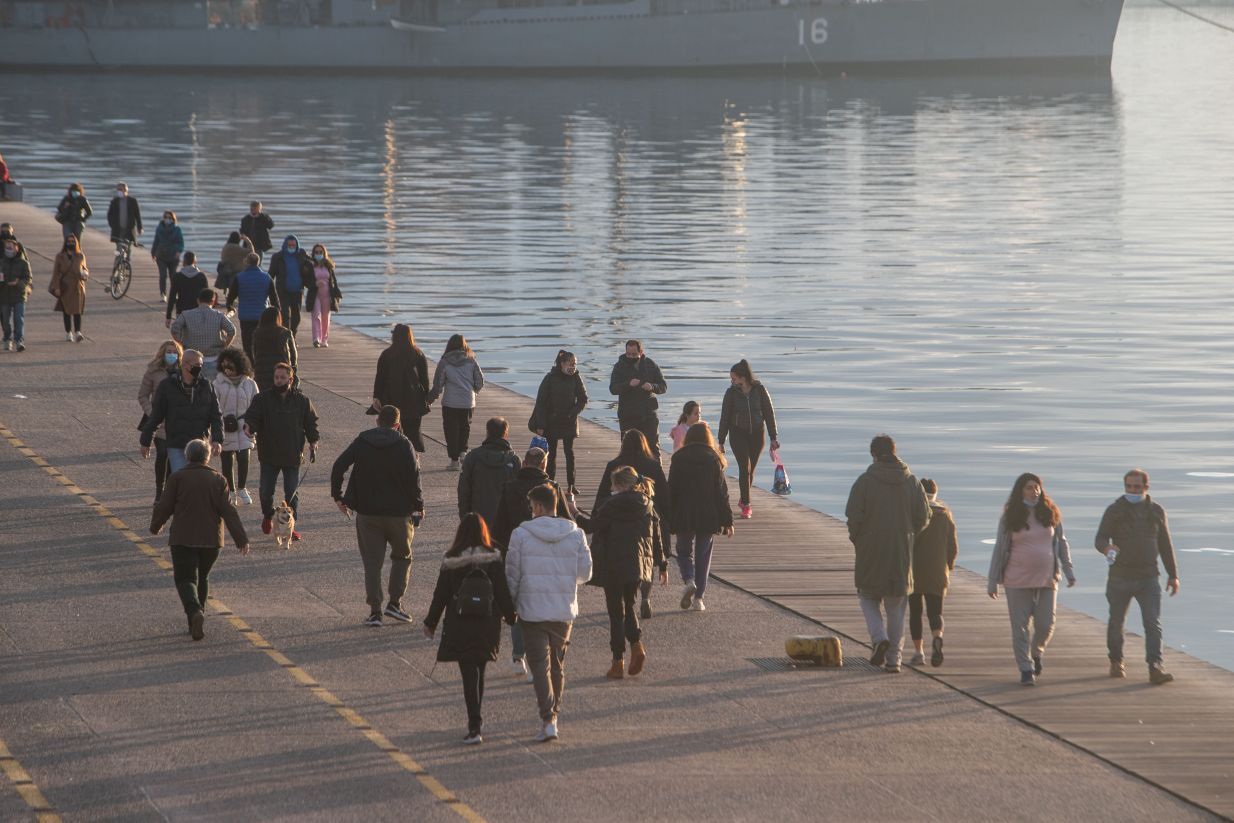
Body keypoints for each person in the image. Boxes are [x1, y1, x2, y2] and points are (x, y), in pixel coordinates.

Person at [505, 483, 592, 743]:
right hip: (563, 609)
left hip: (532, 610)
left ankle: (548, 719)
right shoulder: (576, 534)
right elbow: (585, 573)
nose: (531, 511)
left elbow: (513, 574)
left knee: (539, 665)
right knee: (557, 665)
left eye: (532, 507)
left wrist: (510, 602)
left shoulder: (520, 534)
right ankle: (554, 714)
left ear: (540, 506)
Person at [423, 514, 517, 745]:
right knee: (480, 669)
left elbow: (441, 594)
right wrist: (510, 615)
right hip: (487, 622)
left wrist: (430, 622)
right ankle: (477, 720)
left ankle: (474, 724)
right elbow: (502, 591)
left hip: (460, 623)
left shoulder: (451, 559)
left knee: (468, 673)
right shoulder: (493, 558)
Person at [845, 434, 931, 674]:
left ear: (874, 455)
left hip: (870, 550)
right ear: (895, 451)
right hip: (900, 551)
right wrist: (909, 535)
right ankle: (894, 659)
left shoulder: (864, 482)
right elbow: (924, 517)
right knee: (896, 607)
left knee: (868, 597)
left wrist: (858, 540)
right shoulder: (912, 482)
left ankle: (878, 638)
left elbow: (854, 516)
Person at [332, 404, 424, 626]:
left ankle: (375, 611)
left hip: (368, 514)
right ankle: (395, 603)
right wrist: (419, 505)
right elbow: (414, 478)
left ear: (377, 421)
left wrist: (338, 496)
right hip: (399, 514)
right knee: (402, 557)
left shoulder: (363, 441)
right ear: (398, 424)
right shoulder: (404, 444)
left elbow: (339, 466)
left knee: (372, 563)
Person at [150, 439, 250, 641]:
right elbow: (229, 512)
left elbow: (165, 505)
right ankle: (197, 617)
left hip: (183, 537)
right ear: (207, 457)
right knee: (202, 577)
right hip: (212, 540)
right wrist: (241, 539)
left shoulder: (177, 478)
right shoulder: (219, 480)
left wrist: (156, 525)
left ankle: (194, 612)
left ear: (187, 456)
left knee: (185, 579)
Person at [987, 472, 1076, 686]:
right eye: (1029, 487)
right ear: (1020, 491)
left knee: (1046, 623)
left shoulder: (1050, 512)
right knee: (1020, 626)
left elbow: (1061, 542)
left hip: (1047, 578)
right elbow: (1000, 548)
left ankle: (1037, 651)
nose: (1034, 491)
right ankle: (1026, 669)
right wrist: (992, 580)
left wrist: (1069, 569)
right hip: (1016, 578)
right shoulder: (1010, 517)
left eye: (1037, 487)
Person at [492, 446, 572, 679]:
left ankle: (519, 656)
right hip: (549, 555)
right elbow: (567, 522)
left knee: (520, 606)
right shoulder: (553, 488)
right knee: (548, 603)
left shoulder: (509, 488)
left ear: (524, 463)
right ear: (544, 465)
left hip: (518, 552)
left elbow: (499, 527)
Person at [1095, 468, 1180, 685]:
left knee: (1152, 623)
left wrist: (1173, 575)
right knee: (1116, 622)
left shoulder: (1156, 511)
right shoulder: (1114, 510)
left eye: (1137, 486)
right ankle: (1116, 661)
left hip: (1148, 576)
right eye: (1129, 486)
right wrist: (1106, 548)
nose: (1133, 490)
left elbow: (1165, 545)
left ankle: (1155, 666)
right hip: (1120, 577)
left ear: (1146, 487)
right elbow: (1100, 538)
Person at [589, 466, 667, 679]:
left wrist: (573, 511)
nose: (611, 488)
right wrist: (662, 564)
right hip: (637, 565)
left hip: (613, 563)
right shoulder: (648, 504)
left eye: (613, 485)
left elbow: (591, 526)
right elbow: (657, 535)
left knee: (616, 613)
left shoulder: (610, 505)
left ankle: (617, 662)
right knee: (630, 605)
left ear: (621, 485)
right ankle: (636, 646)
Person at [243, 362, 319, 539]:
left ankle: (291, 527)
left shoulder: (302, 401)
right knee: (265, 491)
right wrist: (249, 427)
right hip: (269, 453)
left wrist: (313, 441)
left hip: (292, 454)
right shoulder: (262, 399)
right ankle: (268, 515)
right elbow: (252, 416)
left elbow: (310, 422)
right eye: (276, 377)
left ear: (290, 379)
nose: (278, 381)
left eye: (282, 378)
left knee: (291, 492)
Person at [668, 423, 734, 612]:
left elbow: (671, 488)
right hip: (708, 514)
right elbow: (722, 493)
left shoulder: (678, 457)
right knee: (703, 555)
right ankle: (699, 599)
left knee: (683, 551)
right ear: (708, 438)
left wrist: (667, 516)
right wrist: (728, 521)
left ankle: (689, 579)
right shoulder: (713, 459)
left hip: (684, 513)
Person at [140, 349, 224, 475]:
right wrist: (146, 441)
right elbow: (156, 416)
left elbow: (216, 415)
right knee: (181, 477)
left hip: (199, 445)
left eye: (201, 365)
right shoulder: (168, 386)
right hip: (177, 443)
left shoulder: (206, 386)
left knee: (196, 479)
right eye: (196, 365)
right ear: (185, 364)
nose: (199, 368)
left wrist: (217, 439)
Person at [717, 359, 780, 520]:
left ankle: (744, 498)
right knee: (744, 467)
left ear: (743, 378)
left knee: (751, 470)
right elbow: (724, 417)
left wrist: (773, 437)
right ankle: (746, 504)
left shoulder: (760, 390)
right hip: (737, 434)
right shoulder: (731, 393)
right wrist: (721, 441)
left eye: (734, 379)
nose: (732, 382)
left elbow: (769, 414)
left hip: (757, 435)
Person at [908, 478, 957, 668]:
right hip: (938, 572)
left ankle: (919, 653)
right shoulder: (945, 516)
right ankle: (937, 638)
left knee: (915, 612)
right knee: (935, 612)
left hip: (914, 571)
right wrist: (948, 566)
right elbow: (953, 546)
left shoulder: (913, 515)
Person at [529, 350, 588, 493]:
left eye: (575, 364)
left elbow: (583, 399)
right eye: (571, 364)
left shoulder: (576, 377)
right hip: (551, 422)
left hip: (569, 421)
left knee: (570, 453)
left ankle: (571, 485)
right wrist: (541, 425)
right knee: (552, 453)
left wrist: (573, 413)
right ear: (562, 364)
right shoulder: (550, 378)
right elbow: (541, 403)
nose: (573, 367)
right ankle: (549, 482)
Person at [371, 323, 430, 452]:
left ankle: (393, 454)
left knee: (392, 429)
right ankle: (414, 458)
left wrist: (376, 396)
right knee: (413, 431)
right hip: (413, 399)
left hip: (391, 397)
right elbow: (424, 379)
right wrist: (426, 397)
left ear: (394, 337)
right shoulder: (418, 354)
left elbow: (380, 377)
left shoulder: (387, 354)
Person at [430, 334, 485, 470]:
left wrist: (431, 398)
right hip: (468, 401)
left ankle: (454, 461)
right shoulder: (471, 361)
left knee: (451, 430)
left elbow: (438, 383)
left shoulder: (444, 362)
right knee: (465, 427)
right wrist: (474, 391)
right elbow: (480, 381)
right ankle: (463, 452)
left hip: (450, 402)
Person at [212, 347, 259, 506]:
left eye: (230, 366)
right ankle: (230, 491)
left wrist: (253, 424)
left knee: (244, 456)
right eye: (224, 366)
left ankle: (242, 488)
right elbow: (212, 407)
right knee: (227, 459)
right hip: (225, 426)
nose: (227, 370)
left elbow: (256, 405)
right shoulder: (217, 384)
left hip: (245, 426)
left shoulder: (250, 384)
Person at [139, 340, 183, 503]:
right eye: (168, 351)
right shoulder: (153, 371)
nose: (171, 355)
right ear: (162, 354)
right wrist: (152, 413)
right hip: (159, 421)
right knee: (163, 453)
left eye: (174, 352)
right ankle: (160, 489)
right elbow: (143, 395)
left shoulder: (183, 372)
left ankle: (169, 489)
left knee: (174, 457)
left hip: (177, 421)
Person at [608, 339, 668, 456]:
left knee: (653, 448)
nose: (630, 357)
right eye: (628, 354)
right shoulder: (619, 366)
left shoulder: (650, 365)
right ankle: (629, 473)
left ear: (641, 352)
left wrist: (652, 386)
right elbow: (613, 389)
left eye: (634, 354)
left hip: (648, 414)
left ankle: (656, 473)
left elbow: (663, 386)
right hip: (628, 415)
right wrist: (628, 384)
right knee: (628, 450)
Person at [458, 417, 520, 527]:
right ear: (506, 434)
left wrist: (464, 517)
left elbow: (464, 489)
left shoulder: (473, 457)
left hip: (477, 518)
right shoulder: (514, 460)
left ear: (487, 433)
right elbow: (519, 494)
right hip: (505, 520)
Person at [170, 288, 237, 381]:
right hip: (213, 359)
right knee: (211, 389)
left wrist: (180, 345)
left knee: (192, 385)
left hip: (192, 359)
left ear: (198, 300)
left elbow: (174, 329)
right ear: (213, 301)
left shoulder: (186, 314)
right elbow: (232, 331)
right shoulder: (219, 315)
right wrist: (225, 346)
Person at [225, 252, 280, 360]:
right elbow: (274, 299)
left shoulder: (239, 277)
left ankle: (250, 365)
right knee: (261, 342)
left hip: (245, 316)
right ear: (258, 262)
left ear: (247, 262)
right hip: (262, 316)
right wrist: (277, 314)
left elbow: (231, 296)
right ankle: (260, 362)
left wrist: (229, 307)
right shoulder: (267, 277)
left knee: (247, 343)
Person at [267, 234, 312, 335]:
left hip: (297, 291)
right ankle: (285, 337)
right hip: (283, 291)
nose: (292, 247)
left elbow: (312, 263)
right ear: (285, 245)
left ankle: (293, 335)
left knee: (296, 316)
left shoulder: (302, 254)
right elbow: (271, 274)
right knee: (285, 315)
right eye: (290, 245)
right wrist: (266, 288)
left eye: (294, 245)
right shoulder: (277, 257)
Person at [50, 235, 89, 342]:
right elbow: (56, 273)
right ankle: (68, 333)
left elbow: (85, 269)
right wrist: (56, 287)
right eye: (69, 241)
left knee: (77, 311)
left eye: (73, 241)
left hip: (78, 287)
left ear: (76, 243)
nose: (71, 243)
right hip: (65, 286)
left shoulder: (81, 256)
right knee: (66, 311)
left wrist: (85, 274)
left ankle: (78, 332)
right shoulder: (60, 256)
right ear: (65, 243)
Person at [251, 306, 298, 392]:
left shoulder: (257, 333)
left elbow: (254, 354)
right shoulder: (285, 332)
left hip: (261, 375)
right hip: (282, 373)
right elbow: (294, 356)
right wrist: (293, 371)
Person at [304, 242, 341, 348]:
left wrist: (336, 294)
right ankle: (316, 339)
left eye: (320, 252)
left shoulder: (329, 266)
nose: (318, 254)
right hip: (315, 294)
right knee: (316, 316)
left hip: (327, 295)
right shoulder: (310, 266)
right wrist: (314, 284)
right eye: (316, 252)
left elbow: (333, 281)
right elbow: (307, 281)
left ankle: (324, 339)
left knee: (325, 317)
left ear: (324, 253)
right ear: (313, 253)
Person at [0, 236, 31, 352]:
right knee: (5, 321)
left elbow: (28, 278)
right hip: (4, 295)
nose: (9, 249)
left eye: (11, 247)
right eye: (7, 247)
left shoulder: (23, 263)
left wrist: (19, 283)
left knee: (19, 319)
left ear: (16, 248)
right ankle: (7, 338)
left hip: (19, 295)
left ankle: (19, 340)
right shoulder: (1, 262)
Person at [165, 252, 209, 324]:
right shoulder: (201, 276)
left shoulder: (177, 276)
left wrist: (168, 316)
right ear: (195, 262)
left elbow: (172, 296)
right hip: (198, 310)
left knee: (183, 333)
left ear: (184, 262)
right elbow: (207, 297)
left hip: (182, 310)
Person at [150, 210, 185, 301]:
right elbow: (156, 241)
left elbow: (181, 243)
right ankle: (163, 294)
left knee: (173, 276)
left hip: (173, 256)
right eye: (166, 217)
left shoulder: (177, 229)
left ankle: (175, 294)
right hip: (161, 255)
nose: (167, 219)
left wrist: (178, 251)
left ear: (173, 219)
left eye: (170, 218)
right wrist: (153, 253)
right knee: (163, 275)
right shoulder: (159, 228)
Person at [106, 181, 143, 247]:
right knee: (119, 248)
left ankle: (127, 257)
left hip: (129, 228)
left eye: (120, 189)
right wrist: (112, 224)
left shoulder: (132, 201)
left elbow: (137, 215)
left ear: (126, 190)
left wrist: (139, 227)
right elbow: (109, 215)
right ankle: (118, 257)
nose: (119, 191)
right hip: (118, 229)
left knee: (128, 248)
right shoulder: (114, 201)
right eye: (118, 190)